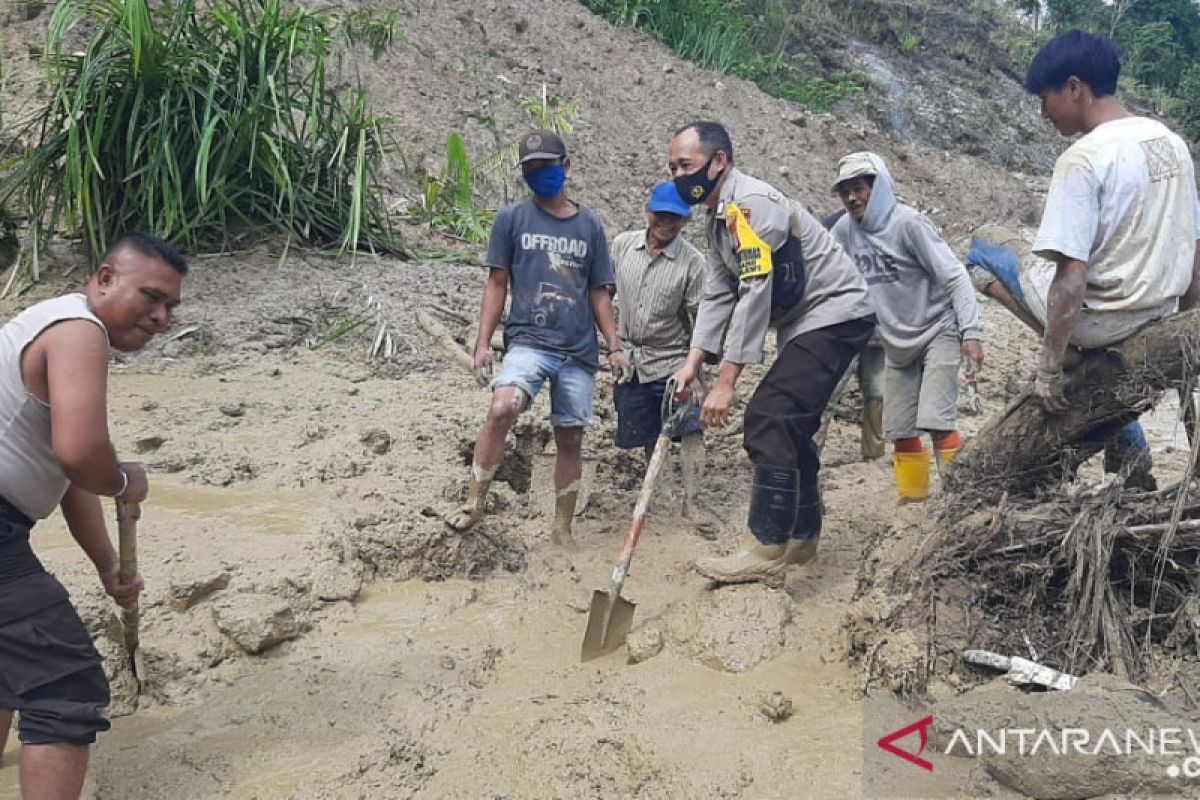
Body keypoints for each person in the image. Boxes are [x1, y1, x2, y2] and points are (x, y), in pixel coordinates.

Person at [967, 30, 1200, 489]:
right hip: (1157, 311)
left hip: (1098, 323)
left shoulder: (1083, 158)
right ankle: (1130, 454)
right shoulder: (1171, 143)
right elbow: (1193, 245)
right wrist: (1187, 325)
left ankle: (1070, 353)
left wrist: (1049, 365)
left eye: (1046, 98)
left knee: (981, 247)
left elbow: (1072, 277)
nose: (1043, 112)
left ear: (1074, 88)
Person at [0, 233, 184, 800]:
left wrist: (106, 562)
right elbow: (83, 454)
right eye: (150, 297)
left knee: (12, 667)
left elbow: (68, 469)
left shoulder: (51, 323)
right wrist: (127, 480)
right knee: (64, 685)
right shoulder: (79, 332)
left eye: (171, 306)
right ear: (104, 278)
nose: (160, 317)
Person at [668, 121, 876, 587]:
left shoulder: (752, 207)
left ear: (718, 160)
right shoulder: (718, 219)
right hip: (808, 320)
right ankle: (802, 536)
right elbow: (719, 292)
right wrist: (693, 362)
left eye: (686, 165)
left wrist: (725, 383)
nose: (679, 176)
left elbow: (754, 291)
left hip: (836, 312)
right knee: (793, 426)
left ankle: (765, 549)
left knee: (769, 416)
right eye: (673, 167)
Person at [447, 130, 626, 548]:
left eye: (546, 166)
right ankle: (475, 503)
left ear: (566, 167)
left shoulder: (590, 226)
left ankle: (562, 529)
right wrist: (481, 344)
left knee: (570, 437)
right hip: (528, 340)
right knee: (502, 406)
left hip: (578, 351)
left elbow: (600, 291)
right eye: (531, 169)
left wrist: (614, 346)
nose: (539, 174)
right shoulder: (512, 219)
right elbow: (496, 284)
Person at [831, 152, 984, 501]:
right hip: (894, 342)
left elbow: (956, 277)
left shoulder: (908, 224)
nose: (852, 197)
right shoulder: (844, 230)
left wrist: (971, 332)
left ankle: (960, 498)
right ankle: (913, 501)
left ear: (879, 187)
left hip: (937, 330)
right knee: (898, 427)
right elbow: (832, 278)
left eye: (859, 188)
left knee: (937, 419)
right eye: (845, 191)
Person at [610, 182, 707, 518]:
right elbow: (602, 294)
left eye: (675, 217)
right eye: (661, 214)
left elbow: (701, 319)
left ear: (686, 220)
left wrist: (694, 370)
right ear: (648, 211)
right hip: (631, 360)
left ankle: (692, 501)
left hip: (673, 360)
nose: (666, 222)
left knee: (691, 427)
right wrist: (612, 347)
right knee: (648, 431)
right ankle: (662, 496)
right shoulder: (623, 246)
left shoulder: (693, 263)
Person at [815, 208, 886, 461]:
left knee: (878, 393)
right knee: (826, 392)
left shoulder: (895, 229)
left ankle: (874, 454)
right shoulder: (837, 227)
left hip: (878, 329)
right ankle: (810, 453)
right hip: (844, 325)